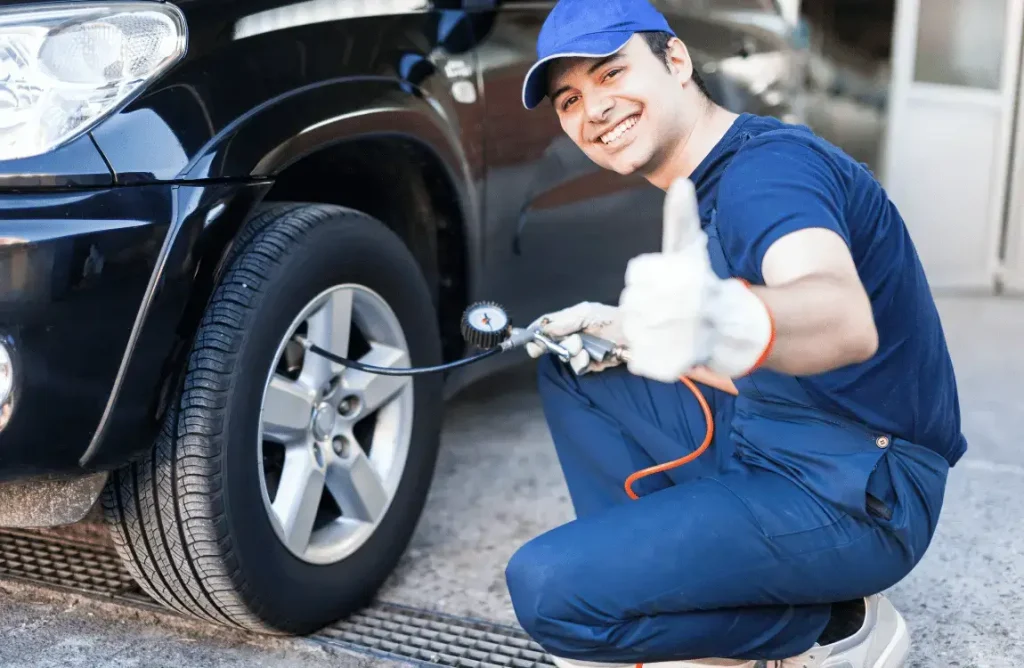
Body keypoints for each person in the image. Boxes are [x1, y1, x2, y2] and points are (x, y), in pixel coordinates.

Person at [501, 1, 966, 667]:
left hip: (860, 489)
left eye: (610, 73)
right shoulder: (705, 182)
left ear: (677, 62)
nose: (592, 110)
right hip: (782, 433)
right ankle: (690, 602)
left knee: (551, 592)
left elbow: (840, 317)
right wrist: (627, 333)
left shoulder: (766, 173)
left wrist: (728, 318)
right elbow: (782, 368)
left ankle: (828, 627)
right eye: (569, 99)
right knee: (576, 366)